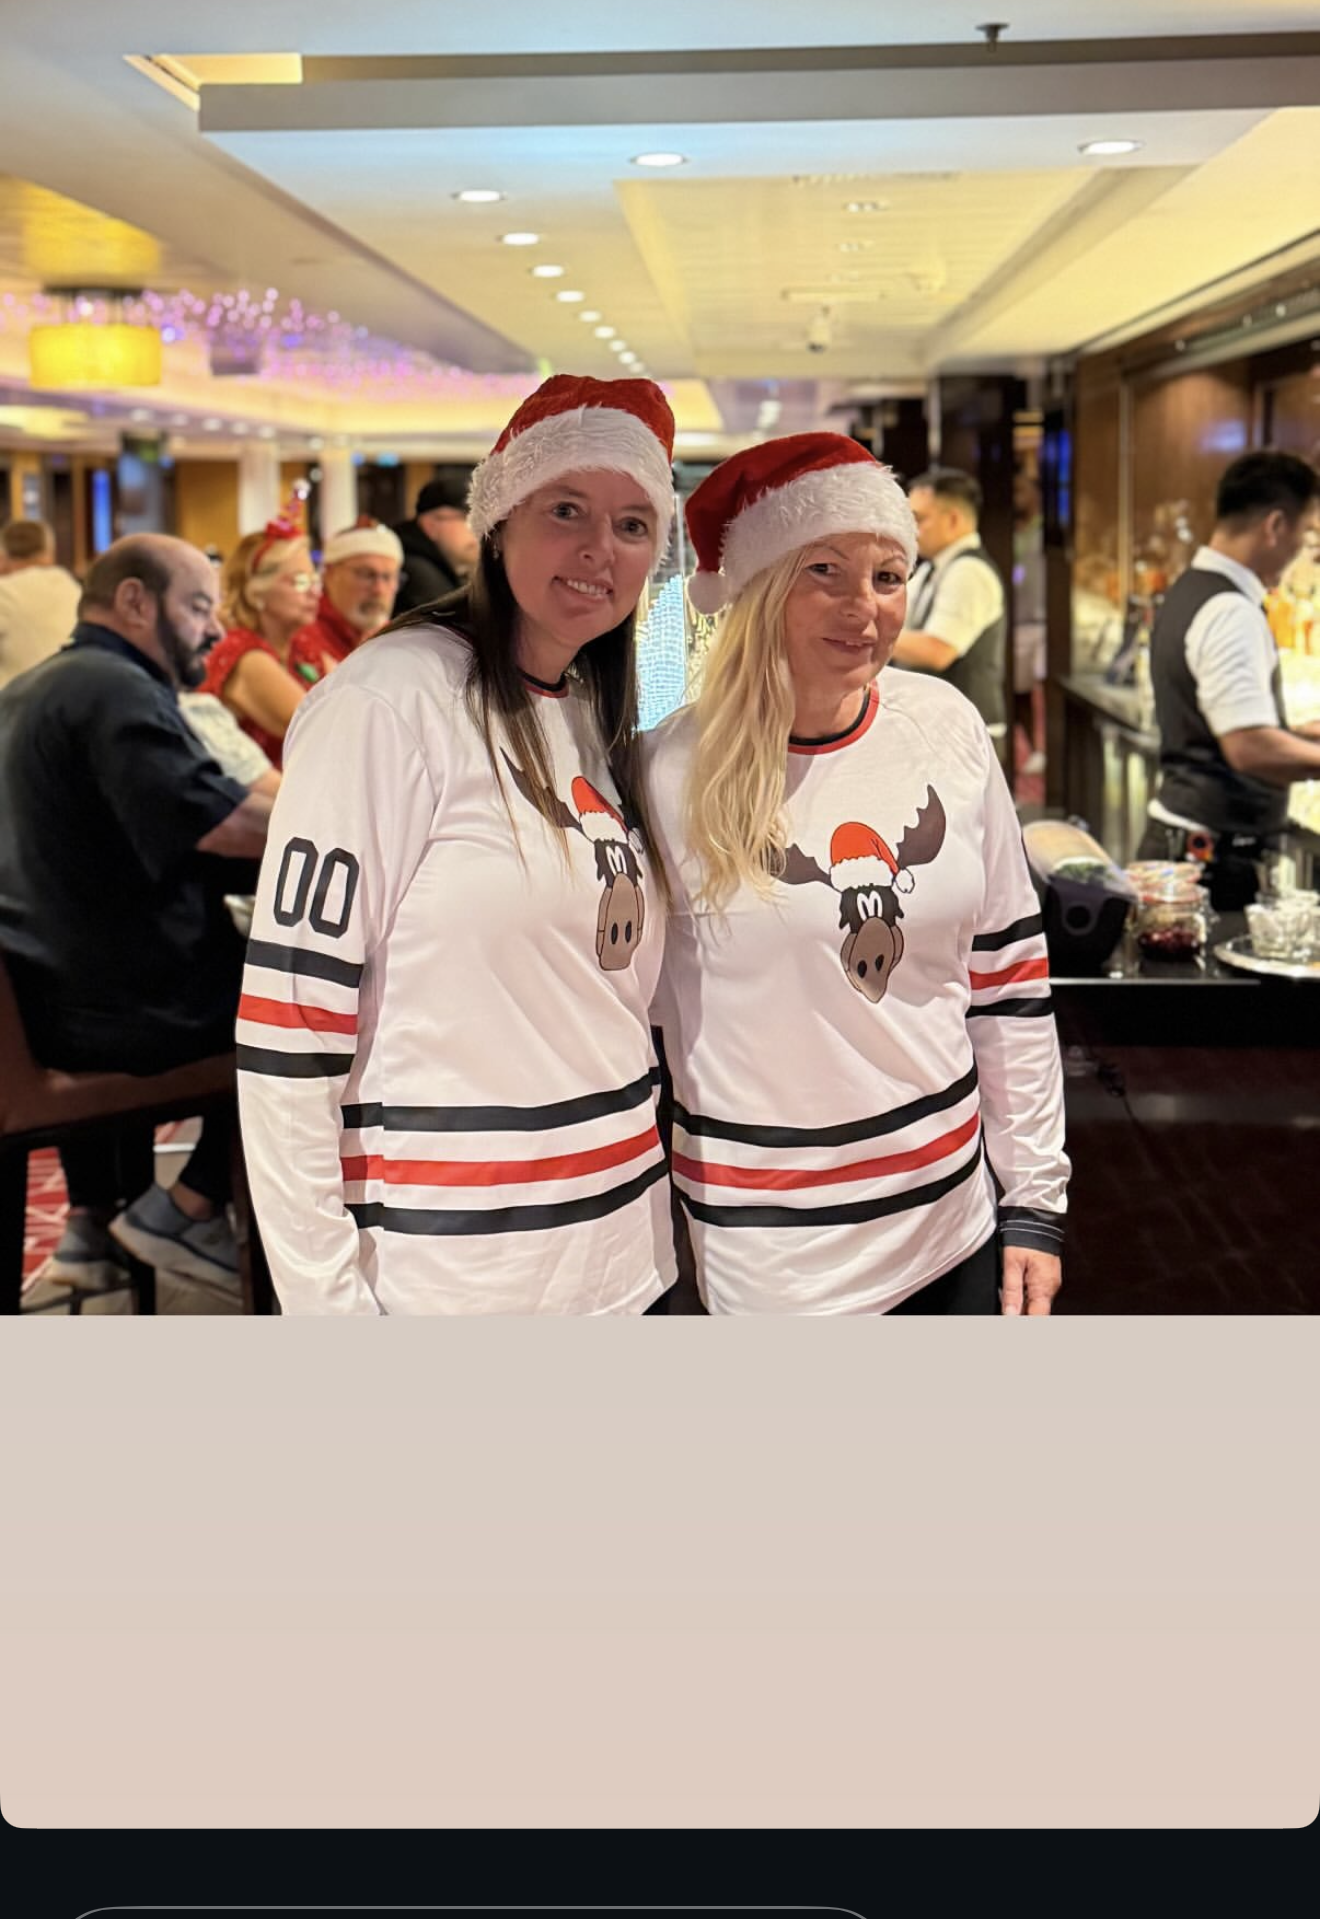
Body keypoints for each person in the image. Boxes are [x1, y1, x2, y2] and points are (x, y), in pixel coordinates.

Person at [238, 375, 678, 1315]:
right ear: (498, 521)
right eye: (567, 510)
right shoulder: (387, 700)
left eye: (634, 524)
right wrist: (324, 1307)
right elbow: (289, 1028)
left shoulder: (599, 711)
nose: (600, 548)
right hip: (450, 1263)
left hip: (618, 1244)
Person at [644, 434, 1068, 1318]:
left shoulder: (945, 725)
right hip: (772, 1253)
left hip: (952, 1223)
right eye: (824, 571)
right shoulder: (667, 768)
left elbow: (1008, 983)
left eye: (887, 576)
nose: (864, 608)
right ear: (759, 589)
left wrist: (1034, 1196)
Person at [0, 536, 276, 1301]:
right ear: (133, 601)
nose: (215, 630)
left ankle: (95, 1225)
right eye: (198, 608)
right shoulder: (113, 686)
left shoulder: (31, 688)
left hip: (48, 1002)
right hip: (123, 1013)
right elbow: (220, 824)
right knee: (326, 1004)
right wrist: (350, 823)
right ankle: (189, 1207)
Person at [1138, 449, 1320, 909]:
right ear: (1275, 526)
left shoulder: (1192, 587)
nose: (1302, 551)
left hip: (1185, 844)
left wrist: (1297, 734)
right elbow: (1248, 746)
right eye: (1305, 532)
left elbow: (1216, 725)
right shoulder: (1231, 610)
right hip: (1212, 860)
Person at [891, 466, 1009, 753]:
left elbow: (938, 650)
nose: (911, 529)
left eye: (919, 519)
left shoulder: (969, 572)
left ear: (953, 519)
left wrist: (866, 638)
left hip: (967, 733)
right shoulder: (932, 569)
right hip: (940, 726)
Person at [201, 515, 318, 768]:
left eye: (314, 580)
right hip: (260, 791)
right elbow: (326, 728)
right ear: (256, 591)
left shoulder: (301, 647)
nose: (314, 592)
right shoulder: (243, 654)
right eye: (299, 581)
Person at [288, 517, 403, 679]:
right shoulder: (299, 636)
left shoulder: (396, 639)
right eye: (366, 574)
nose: (379, 589)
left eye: (388, 577)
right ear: (329, 574)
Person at [0, 518, 81, 689]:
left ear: (3, 558)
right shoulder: (73, 589)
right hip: (76, 693)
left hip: (19, 700)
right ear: (50, 553)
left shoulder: (5, 591)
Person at [393, 467, 478, 615]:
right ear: (430, 526)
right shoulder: (418, 574)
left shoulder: (432, 564)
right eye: (468, 518)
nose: (478, 529)